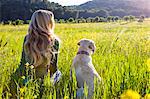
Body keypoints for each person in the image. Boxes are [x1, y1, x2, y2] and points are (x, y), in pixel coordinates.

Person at [5, 10, 61, 98]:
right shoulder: (54, 41)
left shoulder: (27, 39)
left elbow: (22, 64)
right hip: (45, 80)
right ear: (48, 23)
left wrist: (16, 79)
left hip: (27, 79)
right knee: (59, 73)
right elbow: (53, 68)